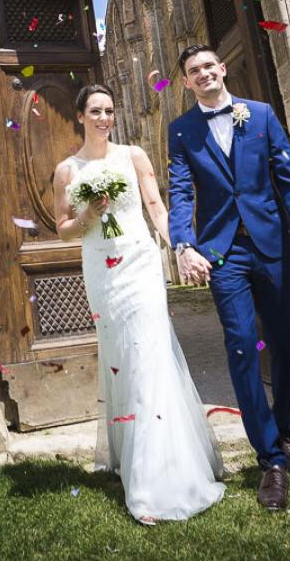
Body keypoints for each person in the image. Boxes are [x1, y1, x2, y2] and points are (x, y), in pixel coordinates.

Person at [52, 84, 226, 525]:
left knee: (149, 356)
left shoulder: (134, 156)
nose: (104, 118)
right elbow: (63, 230)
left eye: (110, 110)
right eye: (95, 110)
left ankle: (155, 481)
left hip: (140, 264)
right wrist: (89, 214)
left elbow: (157, 209)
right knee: (121, 359)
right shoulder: (66, 170)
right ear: (80, 116)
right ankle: (128, 453)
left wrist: (182, 248)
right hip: (102, 271)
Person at [166, 44, 290, 511]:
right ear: (187, 81)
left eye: (208, 66)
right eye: (193, 71)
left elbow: (289, 180)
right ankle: (271, 459)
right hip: (222, 253)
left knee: (285, 341)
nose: (203, 74)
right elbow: (179, 190)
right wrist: (183, 244)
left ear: (223, 69)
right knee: (241, 346)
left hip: (272, 244)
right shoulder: (181, 131)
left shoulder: (260, 115)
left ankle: (287, 431)